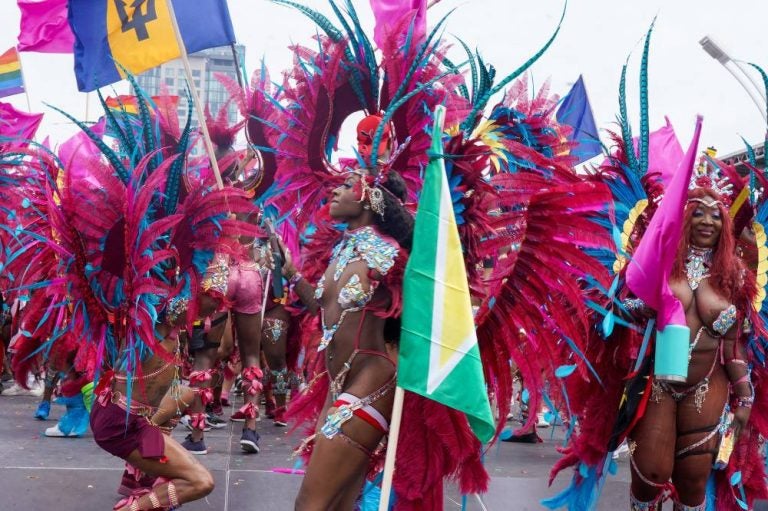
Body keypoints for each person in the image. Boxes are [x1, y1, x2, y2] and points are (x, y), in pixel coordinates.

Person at [280, 165, 412, 510]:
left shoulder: (390, 254)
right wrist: (292, 274)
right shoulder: (341, 250)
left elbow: (426, 307)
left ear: (369, 196)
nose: (335, 192)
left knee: (309, 505)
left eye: (347, 185)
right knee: (339, 505)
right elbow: (325, 312)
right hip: (337, 387)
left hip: (371, 385)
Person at [625, 184, 755, 511]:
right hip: (661, 382)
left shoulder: (735, 276)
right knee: (650, 472)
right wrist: (636, 306)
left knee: (693, 479)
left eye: (716, 215)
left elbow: (732, 345)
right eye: (698, 212)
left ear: (725, 224)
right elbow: (628, 309)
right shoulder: (662, 264)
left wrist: (745, 396)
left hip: (708, 383)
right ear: (684, 218)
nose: (707, 221)